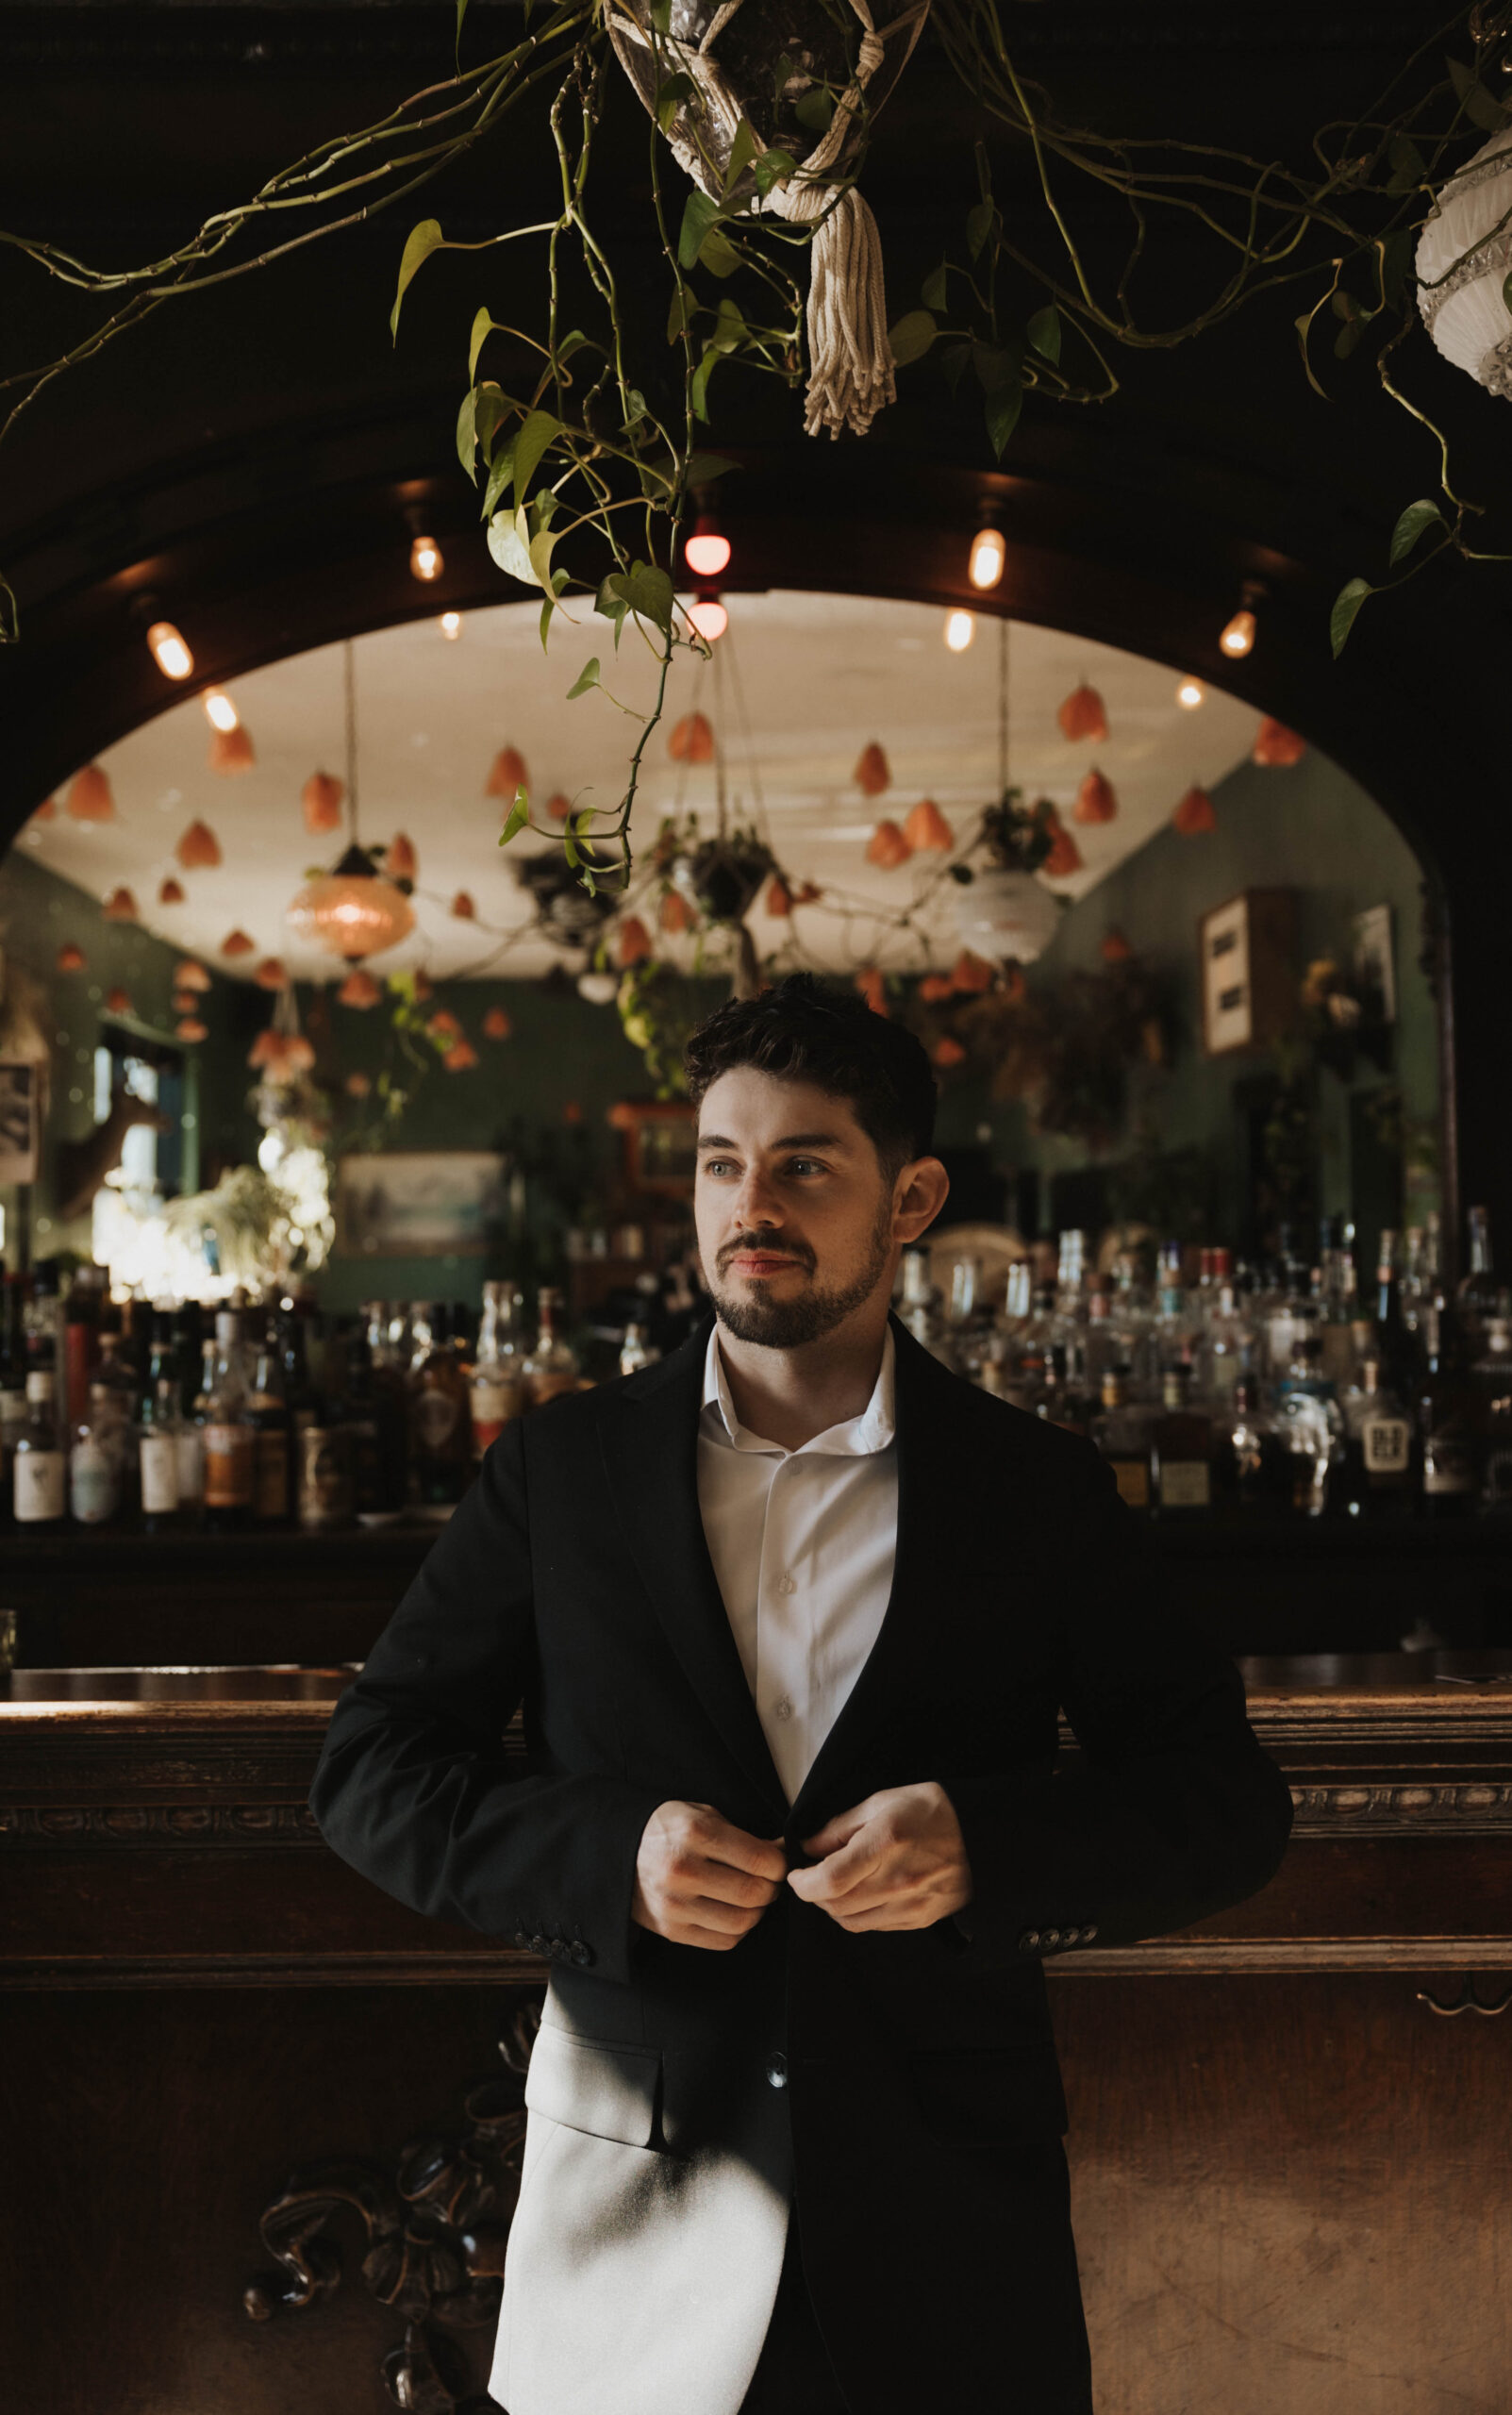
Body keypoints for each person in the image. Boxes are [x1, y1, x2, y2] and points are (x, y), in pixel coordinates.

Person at [309, 973, 1295, 2415]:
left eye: (804, 1165)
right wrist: (611, 1858)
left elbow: (1225, 1806)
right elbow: (370, 1767)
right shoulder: (562, 1472)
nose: (748, 1205)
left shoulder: (1036, 1493)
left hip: (942, 2251)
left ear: (912, 1200)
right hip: (628, 2243)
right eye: (722, 1163)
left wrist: (987, 1849)